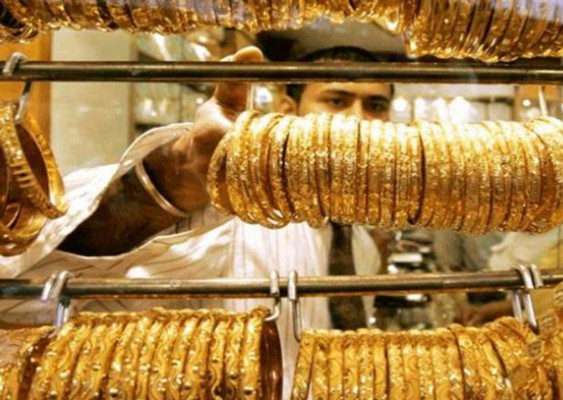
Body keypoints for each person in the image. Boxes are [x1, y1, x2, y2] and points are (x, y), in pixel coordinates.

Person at [0, 45, 394, 393]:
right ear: (288, 110)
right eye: (336, 101)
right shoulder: (224, 218)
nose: (358, 120)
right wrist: (175, 174)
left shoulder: (360, 242)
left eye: (376, 106)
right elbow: (24, 301)